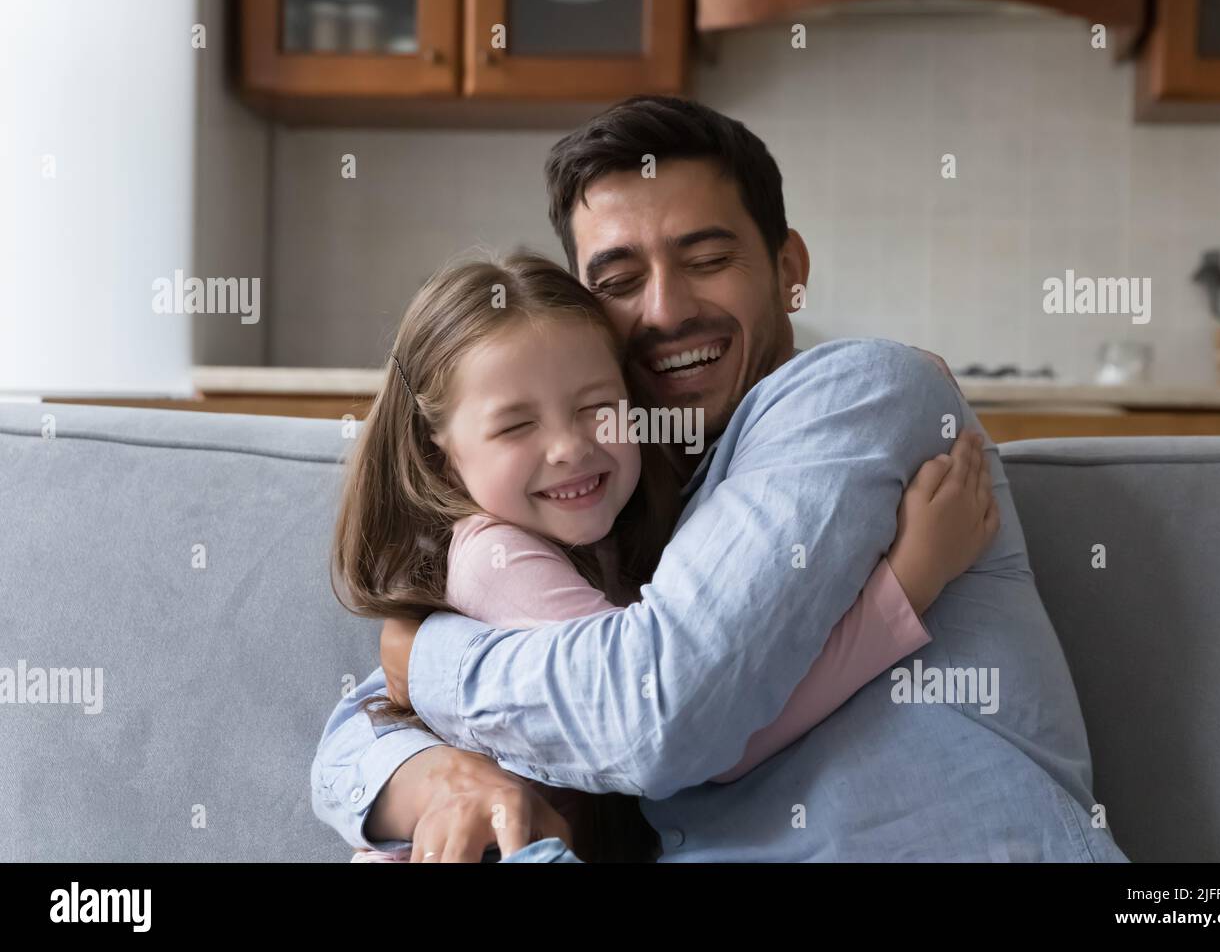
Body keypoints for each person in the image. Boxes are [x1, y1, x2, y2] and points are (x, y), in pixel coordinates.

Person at [312, 95, 1129, 863]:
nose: (666, 310)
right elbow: (358, 734)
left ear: (788, 266)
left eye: (707, 258)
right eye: (621, 281)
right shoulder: (617, 500)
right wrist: (443, 769)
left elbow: (658, 715)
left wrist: (425, 658)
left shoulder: (855, 392)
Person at [331, 251, 997, 862]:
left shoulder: (618, 538)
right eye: (516, 424)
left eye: (597, 407)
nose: (569, 446)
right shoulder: (491, 556)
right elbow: (693, 738)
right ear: (437, 450)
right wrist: (907, 585)